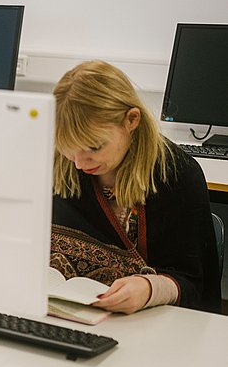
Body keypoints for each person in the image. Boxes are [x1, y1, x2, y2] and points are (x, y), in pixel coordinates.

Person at [50, 60, 220, 314]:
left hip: (149, 320)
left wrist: (149, 288)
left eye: (94, 147)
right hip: (60, 311)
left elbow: (193, 285)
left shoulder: (175, 175)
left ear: (131, 120)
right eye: (69, 147)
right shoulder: (56, 164)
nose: (79, 162)